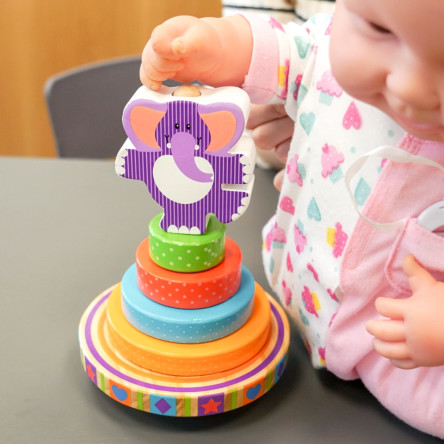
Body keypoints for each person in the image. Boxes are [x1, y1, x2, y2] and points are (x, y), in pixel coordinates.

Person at [139, 0, 444, 437]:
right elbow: (279, 49)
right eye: (380, 29)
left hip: (400, 354)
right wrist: (215, 46)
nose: (411, 88)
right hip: (289, 286)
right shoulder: (327, 50)